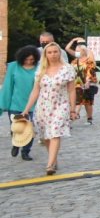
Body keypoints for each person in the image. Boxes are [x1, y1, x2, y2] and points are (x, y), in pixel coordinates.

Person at [20, 42, 75, 177]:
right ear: (45, 54)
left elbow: (72, 90)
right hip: (43, 106)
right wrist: (26, 109)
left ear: (59, 53)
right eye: (49, 52)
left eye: (55, 52)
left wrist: (73, 109)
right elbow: (35, 91)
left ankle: (50, 165)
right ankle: (53, 158)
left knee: (55, 132)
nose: (53, 55)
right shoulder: (41, 69)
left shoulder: (67, 69)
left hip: (60, 105)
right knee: (46, 136)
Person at [2, 46, 40, 161]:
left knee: (30, 128)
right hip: (15, 104)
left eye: (31, 60)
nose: (29, 62)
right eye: (26, 59)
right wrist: (4, 103)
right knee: (17, 127)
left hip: (33, 104)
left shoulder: (39, 68)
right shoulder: (13, 66)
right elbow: (8, 86)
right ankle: (16, 144)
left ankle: (25, 151)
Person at [73, 47, 99, 125]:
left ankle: (89, 118)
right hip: (77, 83)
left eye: (78, 50)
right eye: (76, 50)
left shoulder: (89, 61)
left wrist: (88, 80)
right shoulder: (75, 61)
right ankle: (75, 114)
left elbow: (90, 70)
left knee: (88, 102)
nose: (76, 52)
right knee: (78, 100)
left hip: (88, 83)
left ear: (83, 51)